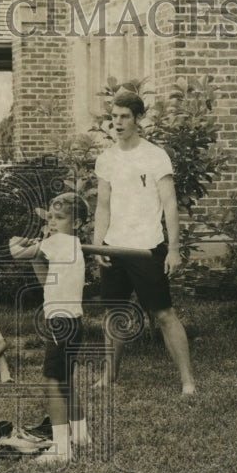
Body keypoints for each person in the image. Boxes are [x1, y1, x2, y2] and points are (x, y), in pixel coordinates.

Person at [92, 88, 196, 394]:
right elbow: (103, 205)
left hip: (147, 247)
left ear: (139, 118)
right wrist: (98, 245)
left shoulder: (155, 156)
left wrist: (174, 249)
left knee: (163, 314)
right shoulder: (106, 158)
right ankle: (109, 377)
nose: (118, 123)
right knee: (114, 314)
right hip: (114, 246)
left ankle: (188, 380)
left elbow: (170, 204)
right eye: (114, 117)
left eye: (125, 117)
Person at [9, 192, 90, 464]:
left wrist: (17, 242)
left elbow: (15, 252)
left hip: (60, 322)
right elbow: (47, 281)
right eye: (51, 218)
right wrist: (36, 255)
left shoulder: (60, 241)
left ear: (76, 224)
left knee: (52, 383)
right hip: (73, 322)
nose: (53, 223)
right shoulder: (71, 245)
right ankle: (80, 435)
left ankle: (61, 449)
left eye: (60, 218)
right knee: (65, 380)